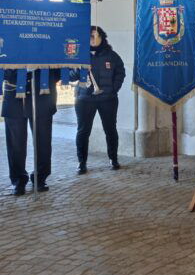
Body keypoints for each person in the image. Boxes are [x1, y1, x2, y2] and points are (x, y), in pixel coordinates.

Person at [73, 26, 126, 174]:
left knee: (110, 129)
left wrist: (113, 89)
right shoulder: (79, 55)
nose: (94, 39)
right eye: (91, 36)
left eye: (97, 36)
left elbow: (120, 73)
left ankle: (113, 159)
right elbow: (71, 76)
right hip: (84, 99)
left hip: (108, 99)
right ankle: (81, 163)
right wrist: (79, 69)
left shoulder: (112, 55)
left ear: (102, 37)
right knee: (83, 131)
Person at [2, 68, 61, 195]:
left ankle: (40, 178)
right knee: (15, 144)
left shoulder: (47, 48)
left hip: (42, 96)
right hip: (14, 97)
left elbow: (57, 72)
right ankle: (18, 180)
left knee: (43, 142)